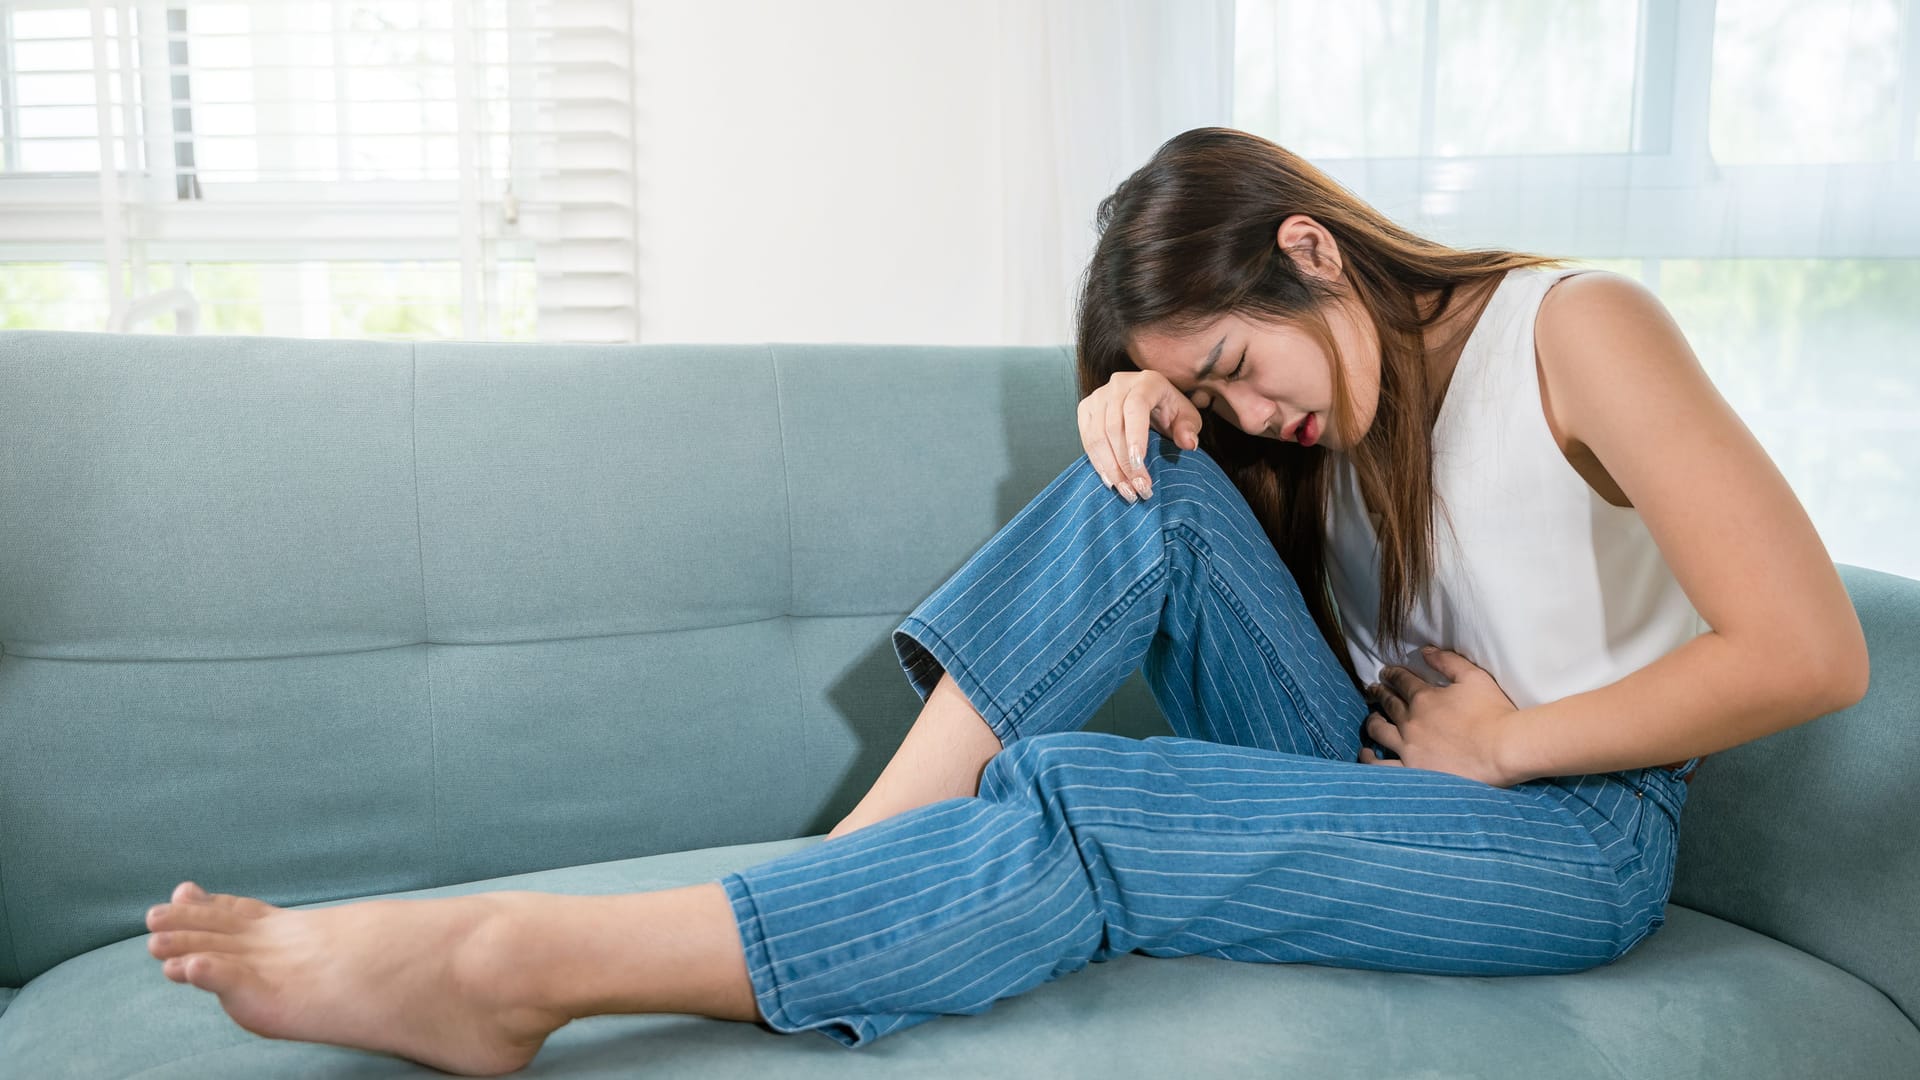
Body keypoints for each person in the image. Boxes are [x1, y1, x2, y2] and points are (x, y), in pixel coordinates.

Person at [141, 127, 1870, 1076]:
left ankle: (518, 965)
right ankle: (834, 891)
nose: (1267, 408)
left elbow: (1811, 649)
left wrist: (1512, 748)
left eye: (1238, 360)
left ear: (1312, 252)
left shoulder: (1584, 327)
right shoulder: (1315, 418)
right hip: (1387, 763)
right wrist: (1164, 425)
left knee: (1085, 797)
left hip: (1567, 830)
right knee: (1137, 488)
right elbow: (1257, 554)